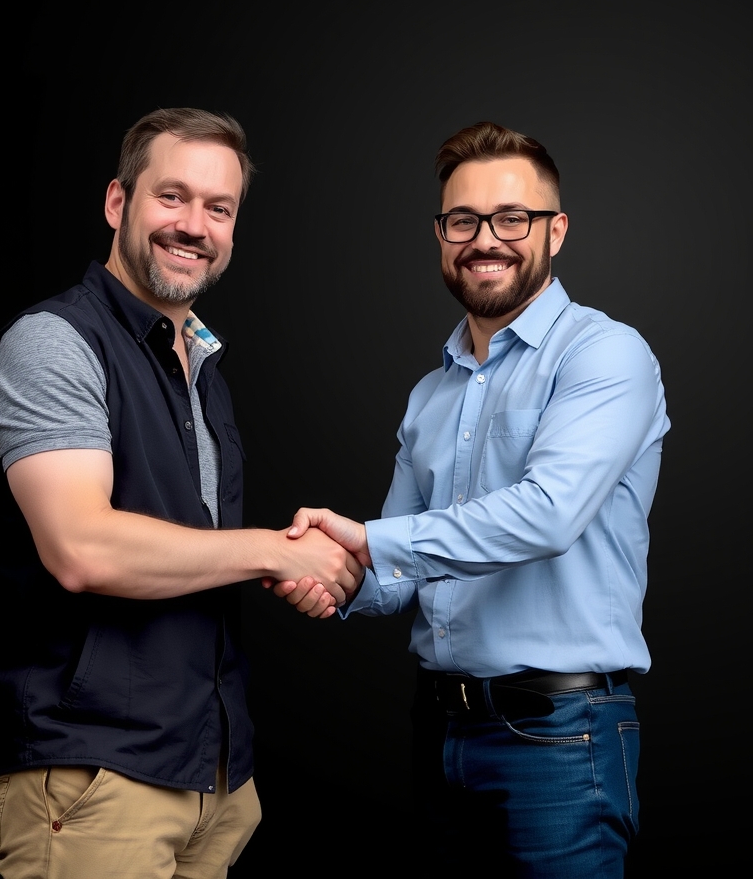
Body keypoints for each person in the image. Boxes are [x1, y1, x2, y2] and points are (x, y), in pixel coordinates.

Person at [0, 106, 361, 879]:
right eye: (172, 197)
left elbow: (193, 557)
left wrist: (302, 570)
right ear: (118, 203)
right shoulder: (55, 343)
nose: (194, 225)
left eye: (218, 208)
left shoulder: (198, 365)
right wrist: (275, 552)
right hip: (97, 782)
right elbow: (82, 548)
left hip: (211, 782)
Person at [274, 120, 670, 876]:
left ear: (556, 231)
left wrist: (370, 544)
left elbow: (548, 514)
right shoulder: (431, 394)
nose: (485, 238)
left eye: (511, 218)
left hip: (561, 735)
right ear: (440, 234)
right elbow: (400, 563)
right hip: (442, 732)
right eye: (463, 220)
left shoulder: (606, 354)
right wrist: (335, 582)